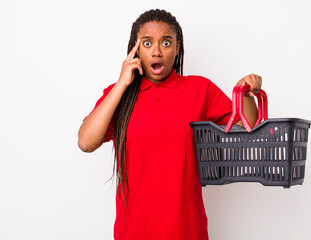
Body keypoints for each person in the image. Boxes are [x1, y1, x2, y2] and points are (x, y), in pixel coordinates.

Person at [78, 9, 262, 240]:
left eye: (166, 42)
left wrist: (244, 93)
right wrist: (122, 83)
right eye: (147, 43)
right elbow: (86, 142)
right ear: (134, 49)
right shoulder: (119, 96)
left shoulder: (199, 89)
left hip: (187, 231)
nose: (156, 51)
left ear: (177, 47)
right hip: (133, 232)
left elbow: (247, 128)